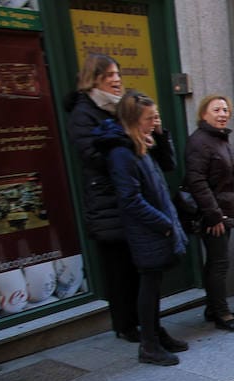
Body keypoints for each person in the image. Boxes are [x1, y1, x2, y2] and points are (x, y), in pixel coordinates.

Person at [65, 54, 174, 345]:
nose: (116, 80)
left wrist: (153, 136)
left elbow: (164, 162)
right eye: (109, 75)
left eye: (117, 74)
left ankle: (150, 329)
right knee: (121, 272)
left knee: (144, 274)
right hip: (109, 206)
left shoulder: (124, 109)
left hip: (133, 201)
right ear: (94, 78)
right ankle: (129, 328)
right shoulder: (84, 113)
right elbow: (95, 157)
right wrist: (128, 140)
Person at [94, 91, 188, 365]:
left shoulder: (138, 144)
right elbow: (130, 199)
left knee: (154, 284)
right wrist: (164, 224)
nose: (154, 122)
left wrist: (159, 134)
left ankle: (156, 334)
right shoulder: (122, 153)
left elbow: (167, 167)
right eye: (150, 118)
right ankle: (149, 344)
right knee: (149, 285)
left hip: (156, 225)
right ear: (134, 119)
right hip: (148, 228)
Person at [185, 94, 234, 332]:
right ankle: (221, 314)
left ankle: (214, 308)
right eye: (217, 110)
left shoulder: (218, 139)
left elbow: (217, 173)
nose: (223, 114)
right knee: (219, 264)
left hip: (223, 209)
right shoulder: (200, 141)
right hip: (214, 214)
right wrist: (214, 215)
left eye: (225, 109)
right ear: (204, 114)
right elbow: (197, 181)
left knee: (216, 262)